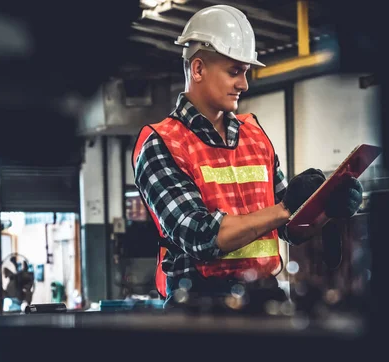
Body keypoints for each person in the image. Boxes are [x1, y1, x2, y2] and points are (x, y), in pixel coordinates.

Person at [132, 5, 362, 314]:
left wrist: (326, 208)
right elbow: (200, 236)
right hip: (199, 311)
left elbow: (289, 227)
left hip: (265, 300)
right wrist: (284, 208)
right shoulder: (161, 144)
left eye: (245, 72)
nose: (245, 84)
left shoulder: (254, 134)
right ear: (198, 69)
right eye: (234, 71)